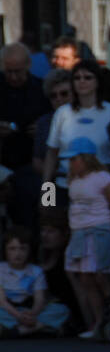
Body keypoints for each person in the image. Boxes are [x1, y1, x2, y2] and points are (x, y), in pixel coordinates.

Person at [64, 136, 110, 339]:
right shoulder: (71, 179)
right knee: (86, 279)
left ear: (87, 158)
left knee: (102, 277)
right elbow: (51, 193)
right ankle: (98, 322)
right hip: (79, 234)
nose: (70, 163)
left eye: (75, 159)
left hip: (99, 232)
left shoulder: (102, 178)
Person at [43, 59, 110, 193]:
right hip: (66, 186)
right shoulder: (62, 113)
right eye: (77, 78)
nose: (82, 81)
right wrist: (46, 194)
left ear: (97, 82)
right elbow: (51, 154)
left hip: (104, 189)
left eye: (88, 77)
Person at [0, 42, 51, 229]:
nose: (13, 77)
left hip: (33, 164)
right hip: (3, 163)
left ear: (28, 65)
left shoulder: (42, 89)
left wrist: (42, 129)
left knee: (39, 212)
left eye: (18, 71)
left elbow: (54, 119)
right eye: (9, 71)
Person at [0, 226, 69, 336]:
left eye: (22, 248)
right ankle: (40, 328)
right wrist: (19, 316)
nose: (18, 254)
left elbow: (39, 298)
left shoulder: (36, 271)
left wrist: (33, 313)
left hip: (29, 308)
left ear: (29, 250)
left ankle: (22, 330)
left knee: (61, 309)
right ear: (5, 250)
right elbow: (2, 301)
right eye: (12, 249)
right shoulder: (1, 269)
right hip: (9, 310)